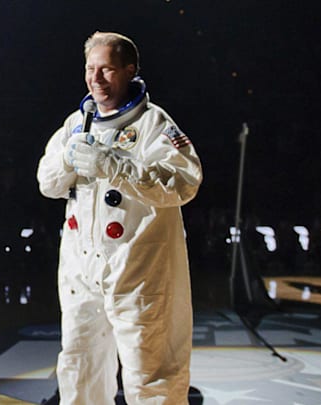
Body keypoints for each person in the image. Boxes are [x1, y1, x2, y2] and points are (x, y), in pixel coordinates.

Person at [36, 32, 203, 404]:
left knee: (151, 371)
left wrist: (115, 166)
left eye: (106, 69)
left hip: (138, 269)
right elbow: (47, 183)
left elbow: (184, 183)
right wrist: (67, 160)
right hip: (81, 269)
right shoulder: (76, 124)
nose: (96, 78)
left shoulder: (153, 124)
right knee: (80, 366)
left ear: (129, 71)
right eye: (90, 69)